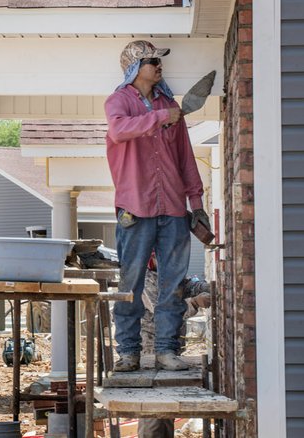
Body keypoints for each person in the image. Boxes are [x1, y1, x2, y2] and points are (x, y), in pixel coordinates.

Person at [105, 40, 210, 372]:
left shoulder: (171, 105)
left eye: (159, 61)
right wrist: (159, 118)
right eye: (153, 60)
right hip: (134, 208)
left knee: (173, 284)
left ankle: (167, 351)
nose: (159, 65)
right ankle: (129, 353)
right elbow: (119, 131)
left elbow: (185, 159)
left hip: (173, 209)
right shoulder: (118, 102)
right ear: (136, 66)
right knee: (130, 283)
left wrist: (197, 203)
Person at [138, 254, 212, 437]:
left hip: (170, 350)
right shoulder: (144, 280)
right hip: (151, 350)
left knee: (167, 403)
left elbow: (189, 285)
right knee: (152, 407)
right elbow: (163, 312)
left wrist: (207, 287)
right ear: (151, 259)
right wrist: (194, 302)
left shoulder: (169, 274)